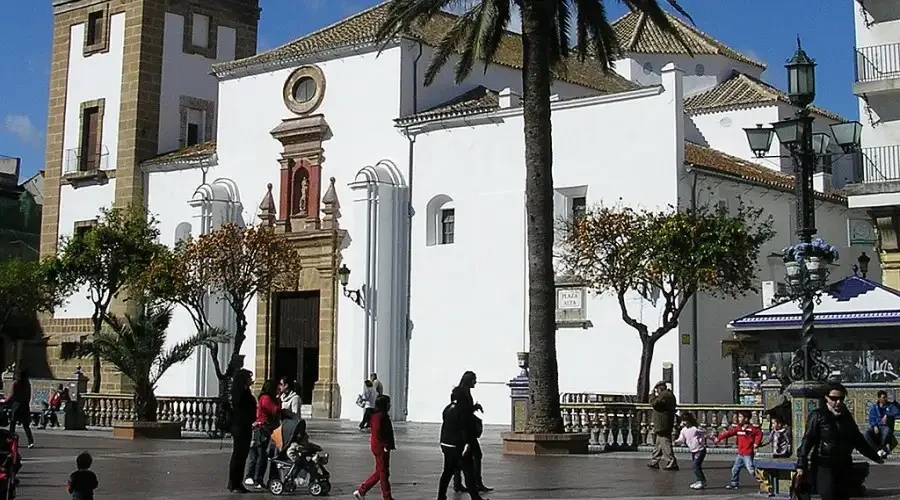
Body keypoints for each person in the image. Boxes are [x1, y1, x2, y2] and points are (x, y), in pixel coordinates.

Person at [796, 382, 883, 500]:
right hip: (824, 465)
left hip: (844, 464)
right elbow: (807, 441)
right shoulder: (818, 416)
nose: (838, 402)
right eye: (834, 398)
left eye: (841, 398)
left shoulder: (846, 417)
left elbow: (858, 440)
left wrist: (875, 456)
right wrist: (801, 464)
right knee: (829, 495)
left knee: (843, 496)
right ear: (826, 397)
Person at [438, 392, 487, 500]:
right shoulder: (462, 411)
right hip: (458, 445)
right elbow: (464, 429)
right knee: (468, 472)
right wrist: (467, 444)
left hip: (446, 443)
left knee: (447, 471)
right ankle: (475, 497)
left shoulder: (448, 408)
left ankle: (441, 496)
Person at [452, 371, 491, 494]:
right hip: (465, 430)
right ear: (469, 380)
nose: (475, 382)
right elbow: (463, 411)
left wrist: (474, 407)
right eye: (474, 379)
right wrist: (474, 408)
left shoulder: (462, 392)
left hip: (462, 429)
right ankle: (476, 483)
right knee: (477, 455)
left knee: (460, 456)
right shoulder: (462, 393)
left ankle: (458, 483)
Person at [354, 394, 395, 500]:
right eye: (388, 403)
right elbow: (377, 431)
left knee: (380, 471)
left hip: (380, 445)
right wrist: (385, 445)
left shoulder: (380, 414)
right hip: (380, 447)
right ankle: (386, 497)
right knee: (383, 473)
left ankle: (362, 491)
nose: (390, 405)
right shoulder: (379, 416)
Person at [244, 379, 281, 489]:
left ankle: (258, 478)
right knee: (261, 456)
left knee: (261, 455)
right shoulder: (266, 398)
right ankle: (257, 478)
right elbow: (274, 410)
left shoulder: (266, 398)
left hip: (266, 429)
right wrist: (279, 400)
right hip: (262, 430)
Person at [715, 409, 763, 489]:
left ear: (746, 419)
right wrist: (719, 438)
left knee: (751, 470)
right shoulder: (738, 428)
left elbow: (759, 433)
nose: (738, 418)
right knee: (735, 469)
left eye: (740, 417)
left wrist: (756, 443)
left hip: (748, 453)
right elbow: (729, 433)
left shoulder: (751, 429)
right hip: (740, 454)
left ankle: (763, 480)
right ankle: (734, 483)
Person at [227, 369, 256, 493]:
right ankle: (234, 483)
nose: (251, 380)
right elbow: (242, 410)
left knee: (241, 455)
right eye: (249, 377)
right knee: (239, 455)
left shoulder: (244, 391)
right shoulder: (240, 393)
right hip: (241, 427)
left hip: (244, 426)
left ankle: (236, 482)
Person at [647, 381, 677, 471]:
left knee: (665, 443)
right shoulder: (668, 395)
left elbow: (654, 403)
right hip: (663, 423)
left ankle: (671, 461)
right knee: (659, 443)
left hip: (663, 423)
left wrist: (652, 395)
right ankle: (655, 460)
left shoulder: (664, 395)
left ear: (660, 388)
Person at [673, 412, 707, 490]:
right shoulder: (683, 430)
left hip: (700, 450)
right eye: (683, 421)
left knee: (695, 466)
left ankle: (701, 482)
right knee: (697, 467)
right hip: (693, 450)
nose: (684, 422)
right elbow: (681, 439)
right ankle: (699, 480)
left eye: (685, 420)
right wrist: (676, 442)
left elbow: (705, 433)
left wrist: (705, 439)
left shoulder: (695, 429)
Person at [865, 390, 899, 458]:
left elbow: (898, 413)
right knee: (866, 433)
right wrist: (874, 426)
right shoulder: (874, 408)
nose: (885, 399)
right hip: (876, 426)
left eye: (886, 397)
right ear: (879, 398)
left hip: (885, 427)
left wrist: (895, 405)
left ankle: (881, 449)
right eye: (883, 397)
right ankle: (879, 450)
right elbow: (871, 419)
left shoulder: (890, 406)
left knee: (886, 431)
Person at [8, 368, 34, 448]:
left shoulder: (15, 383)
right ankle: (30, 441)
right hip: (25, 405)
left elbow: (12, 395)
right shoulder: (27, 383)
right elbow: (29, 396)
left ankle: (11, 441)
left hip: (16, 405)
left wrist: (6, 400)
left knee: (13, 424)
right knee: (26, 425)